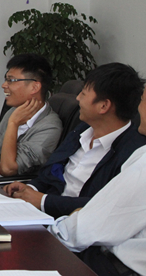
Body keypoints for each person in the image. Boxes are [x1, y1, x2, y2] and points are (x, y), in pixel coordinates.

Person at [5, 63, 146, 218]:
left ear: (103, 106)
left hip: (74, 225)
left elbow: (105, 206)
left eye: (83, 94)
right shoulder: (82, 130)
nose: (77, 98)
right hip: (42, 214)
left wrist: (44, 201)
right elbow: (50, 172)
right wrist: (31, 188)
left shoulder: (134, 153)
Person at [49, 84, 146, 276]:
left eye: (143, 100)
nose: (139, 107)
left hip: (115, 267)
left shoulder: (142, 162)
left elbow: (84, 230)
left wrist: (56, 228)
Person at [0, 53, 62, 177]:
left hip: (4, 185)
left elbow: (7, 170)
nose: (4, 85)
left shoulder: (50, 127)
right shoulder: (14, 111)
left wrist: (13, 124)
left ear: (34, 87)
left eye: (11, 80)